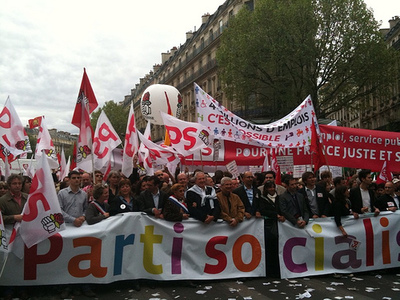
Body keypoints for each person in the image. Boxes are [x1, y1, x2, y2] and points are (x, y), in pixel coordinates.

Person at [259, 181, 285, 277]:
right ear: (266, 189)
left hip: (279, 225)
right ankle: (269, 270)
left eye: (273, 187)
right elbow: (263, 210)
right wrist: (275, 215)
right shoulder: (262, 199)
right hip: (268, 226)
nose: (271, 189)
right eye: (269, 187)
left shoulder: (279, 198)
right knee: (269, 248)